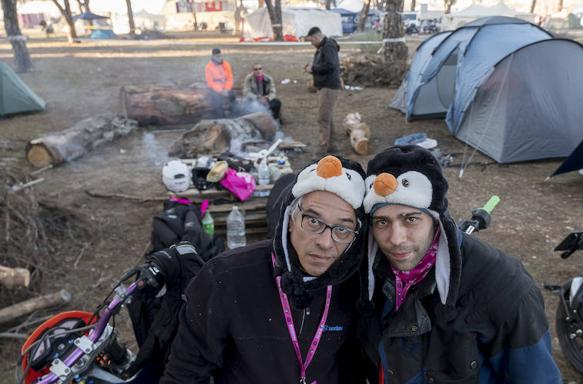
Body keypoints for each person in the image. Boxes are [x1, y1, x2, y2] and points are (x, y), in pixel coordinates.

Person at [359, 146, 562, 384]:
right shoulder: (369, 273)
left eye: (411, 219)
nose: (396, 239)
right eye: (382, 221)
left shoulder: (506, 289)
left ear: (435, 219)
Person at [161, 155, 369, 384]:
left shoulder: (353, 286)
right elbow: (183, 376)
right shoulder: (226, 278)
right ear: (290, 217)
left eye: (342, 229)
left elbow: (352, 369)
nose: (325, 242)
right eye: (313, 221)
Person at [305, 27, 341, 154]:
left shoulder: (328, 46)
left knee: (323, 118)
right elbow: (326, 64)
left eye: (311, 41)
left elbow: (331, 65)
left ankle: (323, 147)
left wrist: (313, 69)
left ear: (315, 37)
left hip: (329, 86)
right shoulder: (323, 47)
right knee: (328, 117)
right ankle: (333, 146)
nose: (311, 44)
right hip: (325, 86)